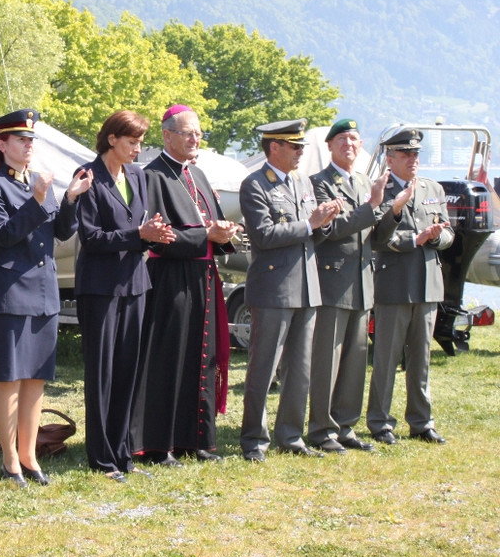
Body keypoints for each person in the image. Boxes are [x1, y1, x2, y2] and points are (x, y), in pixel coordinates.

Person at [0, 109, 92, 487]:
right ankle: (10, 459)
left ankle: (30, 455)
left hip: (44, 291)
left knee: (35, 381)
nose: (29, 146)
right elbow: (3, 235)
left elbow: (59, 231)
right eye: (21, 140)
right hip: (11, 292)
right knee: (9, 380)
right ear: (2, 145)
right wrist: (37, 198)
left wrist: (71, 200)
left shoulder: (36, 182)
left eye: (31, 141)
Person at [132, 105, 239, 466]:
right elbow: (158, 237)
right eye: (188, 133)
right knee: (170, 361)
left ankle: (197, 441)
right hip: (170, 281)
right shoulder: (152, 177)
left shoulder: (200, 176)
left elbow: (212, 224)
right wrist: (205, 235)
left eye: (198, 133)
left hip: (204, 278)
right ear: (167, 135)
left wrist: (223, 235)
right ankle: (159, 445)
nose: (196, 140)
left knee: (203, 360)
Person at [75, 110, 173, 482]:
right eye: (132, 141)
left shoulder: (137, 175)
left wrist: (155, 233)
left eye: (140, 142)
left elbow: (140, 224)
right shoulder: (87, 176)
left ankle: (122, 454)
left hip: (135, 283)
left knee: (128, 372)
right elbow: (91, 237)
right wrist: (139, 236)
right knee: (102, 373)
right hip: (99, 288)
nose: (138, 149)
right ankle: (101, 458)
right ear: (112, 139)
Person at [238, 119, 340, 463]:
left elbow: (311, 237)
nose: (300, 153)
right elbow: (264, 236)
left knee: (300, 368)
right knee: (263, 368)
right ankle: (254, 439)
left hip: (307, 286)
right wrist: (310, 224)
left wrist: (323, 224)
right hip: (274, 289)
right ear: (275, 147)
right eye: (294, 147)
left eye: (301, 147)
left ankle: (291, 435)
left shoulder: (301, 183)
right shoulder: (255, 185)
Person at [307, 119, 396, 454]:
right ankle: (321, 428)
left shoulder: (364, 183)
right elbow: (330, 230)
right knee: (327, 360)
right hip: (333, 280)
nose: (349, 144)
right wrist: (372, 206)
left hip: (362, 282)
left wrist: (393, 211)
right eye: (342, 138)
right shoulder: (319, 184)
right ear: (329, 145)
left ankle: (345, 426)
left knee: (356, 360)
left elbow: (378, 237)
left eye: (355, 139)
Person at [366, 128, 452, 445]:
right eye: (406, 154)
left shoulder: (432, 187)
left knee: (422, 358)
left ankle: (421, 422)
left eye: (416, 154)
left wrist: (437, 236)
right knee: (386, 359)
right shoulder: (380, 189)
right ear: (390, 159)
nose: (413, 159)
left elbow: (448, 233)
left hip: (428, 284)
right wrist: (412, 236)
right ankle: (380, 422)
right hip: (393, 284)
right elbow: (376, 237)